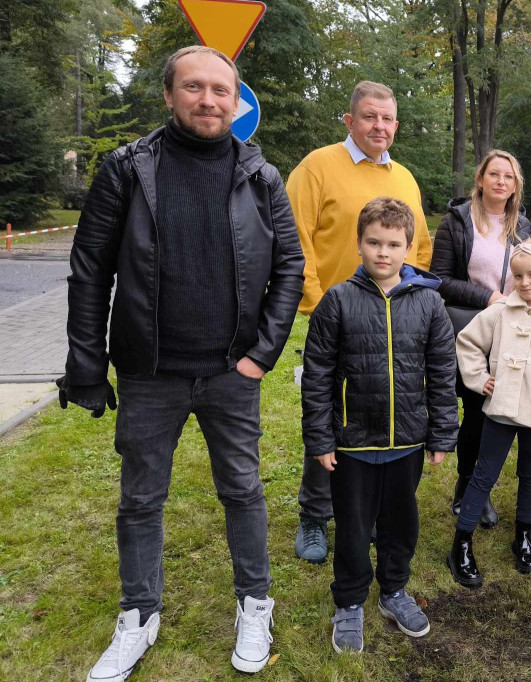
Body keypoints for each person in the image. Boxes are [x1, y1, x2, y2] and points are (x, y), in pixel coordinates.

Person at [59, 46, 305, 680]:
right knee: (141, 498)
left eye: (221, 90)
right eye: (194, 88)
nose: (208, 100)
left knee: (244, 490)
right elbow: (90, 272)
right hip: (149, 372)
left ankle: (255, 603)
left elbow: (288, 269)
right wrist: (87, 362)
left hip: (231, 372)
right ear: (169, 95)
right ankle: (139, 614)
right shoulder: (126, 170)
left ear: (236, 100)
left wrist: (262, 356)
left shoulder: (261, 176)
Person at [300, 197, 458, 653]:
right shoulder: (338, 301)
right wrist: (321, 437)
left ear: (409, 247)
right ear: (359, 244)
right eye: (373, 242)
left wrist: (442, 432)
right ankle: (349, 600)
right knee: (351, 526)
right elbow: (318, 376)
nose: (382, 252)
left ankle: (393, 589)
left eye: (393, 244)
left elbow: (442, 371)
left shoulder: (429, 303)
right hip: (352, 444)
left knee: (399, 523)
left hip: (407, 441)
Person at [287, 81, 435, 564]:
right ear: (349, 120)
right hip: (337, 316)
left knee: (378, 411)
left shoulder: (406, 178)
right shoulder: (318, 167)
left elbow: (421, 247)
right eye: (370, 116)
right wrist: (314, 301)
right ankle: (315, 513)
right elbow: (292, 237)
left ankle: (367, 511)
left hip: (396, 317)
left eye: (388, 118)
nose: (380, 126)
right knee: (330, 412)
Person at [447, 239, 531, 588]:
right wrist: (478, 378)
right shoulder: (500, 312)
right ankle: (461, 542)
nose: (524, 282)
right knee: (483, 474)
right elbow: (468, 341)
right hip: (501, 410)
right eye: (518, 275)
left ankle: (522, 536)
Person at [430, 150, 531, 528]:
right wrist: (487, 296)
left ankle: (479, 486)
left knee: (495, 410)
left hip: (510, 331)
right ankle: (466, 488)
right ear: (480, 179)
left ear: (515, 184)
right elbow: (440, 278)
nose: (501, 181)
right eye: (494, 174)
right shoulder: (457, 221)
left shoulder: (521, 225)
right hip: (470, 330)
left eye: (509, 176)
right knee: (475, 408)